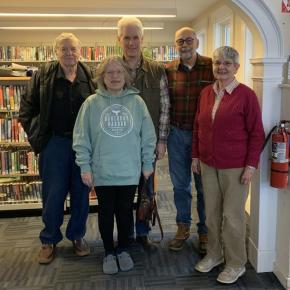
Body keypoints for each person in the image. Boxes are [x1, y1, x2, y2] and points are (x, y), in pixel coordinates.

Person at [73, 56, 156, 275]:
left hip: (129, 170)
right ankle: (109, 251)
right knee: (106, 212)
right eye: (110, 73)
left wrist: (148, 162)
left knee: (125, 212)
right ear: (102, 77)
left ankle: (124, 249)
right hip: (103, 170)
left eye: (119, 72)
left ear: (126, 75)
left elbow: (148, 136)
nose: (115, 76)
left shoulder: (137, 102)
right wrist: (85, 167)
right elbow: (81, 138)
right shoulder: (91, 103)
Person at [19, 32, 96, 264]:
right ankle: (49, 239)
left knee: (81, 193)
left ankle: (77, 236)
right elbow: (26, 110)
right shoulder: (43, 76)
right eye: (64, 49)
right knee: (53, 195)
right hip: (55, 144)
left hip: (83, 146)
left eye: (73, 48)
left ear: (80, 51)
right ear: (56, 52)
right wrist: (40, 139)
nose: (69, 53)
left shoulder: (89, 76)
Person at [192, 46, 265, 284]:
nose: (221, 67)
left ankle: (236, 263)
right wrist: (195, 156)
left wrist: (251, 165)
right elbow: (198, 127)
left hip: (236, 167)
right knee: (211, 215)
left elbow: (257, 133)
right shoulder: (205, 93)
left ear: (236, 67)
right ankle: (214, 254)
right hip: (207, 164)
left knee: (232, 217)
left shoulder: (246, 95)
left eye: (227, 63)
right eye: (217, 63)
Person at [117, 16, 170, 252]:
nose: (131, 42)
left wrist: (161, 140)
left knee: (146, 191)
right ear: (119, 39)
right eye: (126, 37)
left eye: (135, 37)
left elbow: (165, 107)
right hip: (119, 144)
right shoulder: (111, 69)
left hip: (148, 144)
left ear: (142, 39)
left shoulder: (157, 70)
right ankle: (125, 235)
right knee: (123, 192)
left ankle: (143, 233)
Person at [165, 27, 214, 253]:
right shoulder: (168, 70)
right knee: (180, 186)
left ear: (197, 41)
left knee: (204, 187)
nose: (184, 44)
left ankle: (204, 231)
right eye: (179, 41)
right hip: (177, 134)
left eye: (188, 40)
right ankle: (182, 227)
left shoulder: (211, 66)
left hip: (203, 137)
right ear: (176, 45)